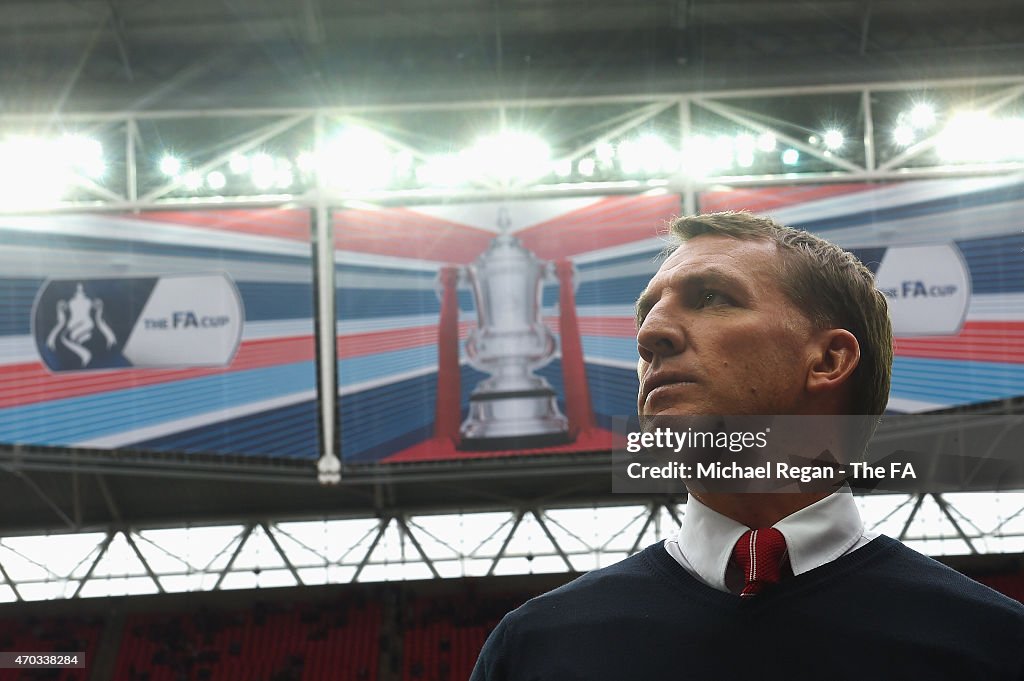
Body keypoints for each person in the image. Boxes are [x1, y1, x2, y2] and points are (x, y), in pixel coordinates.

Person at [470, 211, 1024, 681]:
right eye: (646, 314)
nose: (649, 336)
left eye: (711, 298)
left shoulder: (994, 645)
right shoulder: (532, 650)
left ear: (829, 360)